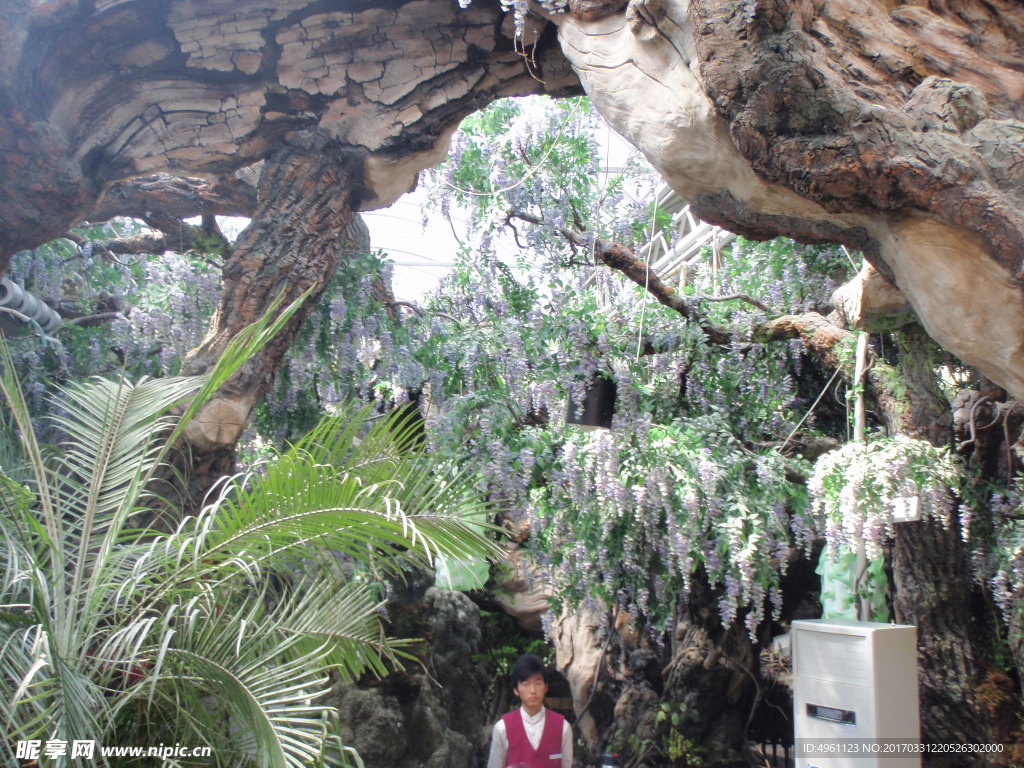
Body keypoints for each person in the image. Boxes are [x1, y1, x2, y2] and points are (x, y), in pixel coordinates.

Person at [486, 654, 573, 768]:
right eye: (526, 684)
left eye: (538, 683)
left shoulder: (563, 728)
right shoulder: (502, 729)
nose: (533, 690)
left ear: (546, 687)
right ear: (516, 690)